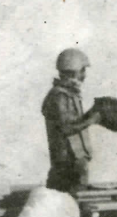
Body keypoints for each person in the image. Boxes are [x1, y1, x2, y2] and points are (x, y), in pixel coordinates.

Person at [41, 48, 102, 194]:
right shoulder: (59, 96)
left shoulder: (68, 95)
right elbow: (66, 128)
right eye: (82, 71)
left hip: (73, 164)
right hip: (67, 165)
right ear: (74, 71)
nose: (84, 75)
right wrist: (92, 120)